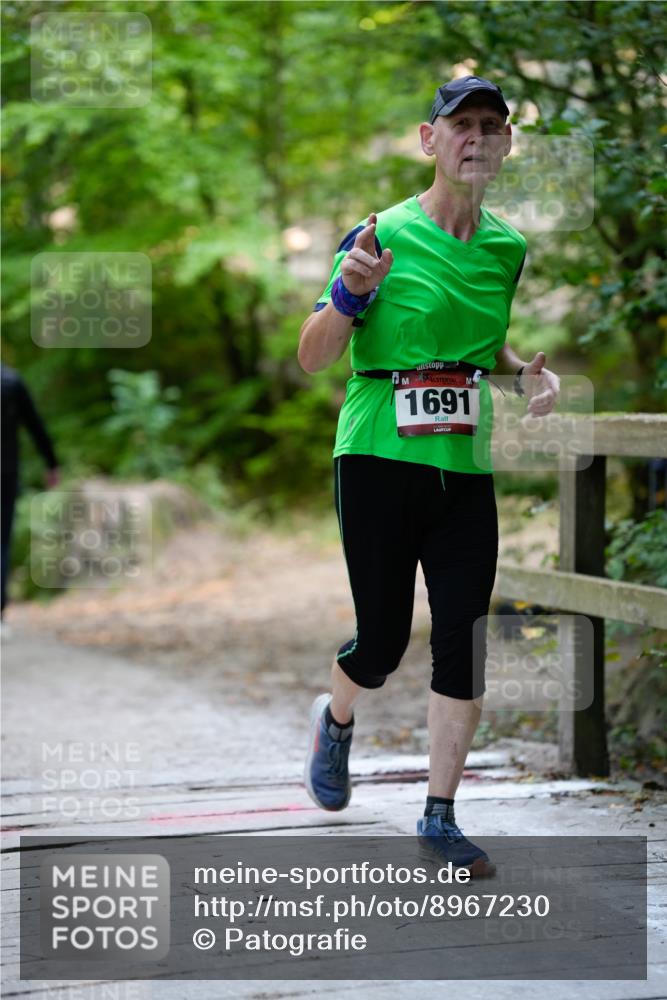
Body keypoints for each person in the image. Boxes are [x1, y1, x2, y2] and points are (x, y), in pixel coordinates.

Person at [298, 76, 561, 877]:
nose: (476, 138)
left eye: (491, 126)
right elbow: (313, 357)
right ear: (428, 139)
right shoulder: (380, 233)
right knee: (379, 641)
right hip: (377, 455)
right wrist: (349, 292)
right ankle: (337, 715)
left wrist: (523, 378)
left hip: (460, 467)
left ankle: (440, 816)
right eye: (461, 126)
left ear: (507, 144)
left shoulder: (507, 246)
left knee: (462, 641)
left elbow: (481, 348)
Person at [1, 363, 60, 622]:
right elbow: (34, 423)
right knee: (2, 541)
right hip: (5, 472)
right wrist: (51, 462)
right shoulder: (11, 381)